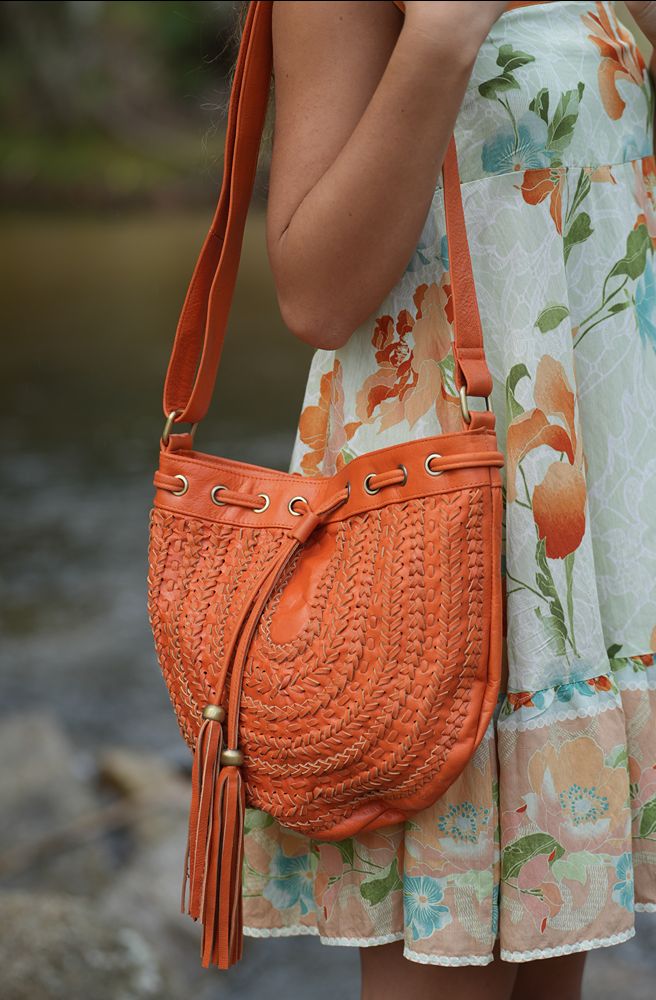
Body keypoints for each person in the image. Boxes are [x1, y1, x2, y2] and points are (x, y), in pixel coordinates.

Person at [237, 2, 656, 998]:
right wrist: (436, 35)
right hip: (442, 534)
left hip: (591, 522)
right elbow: (315, 296)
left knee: (551, 972)